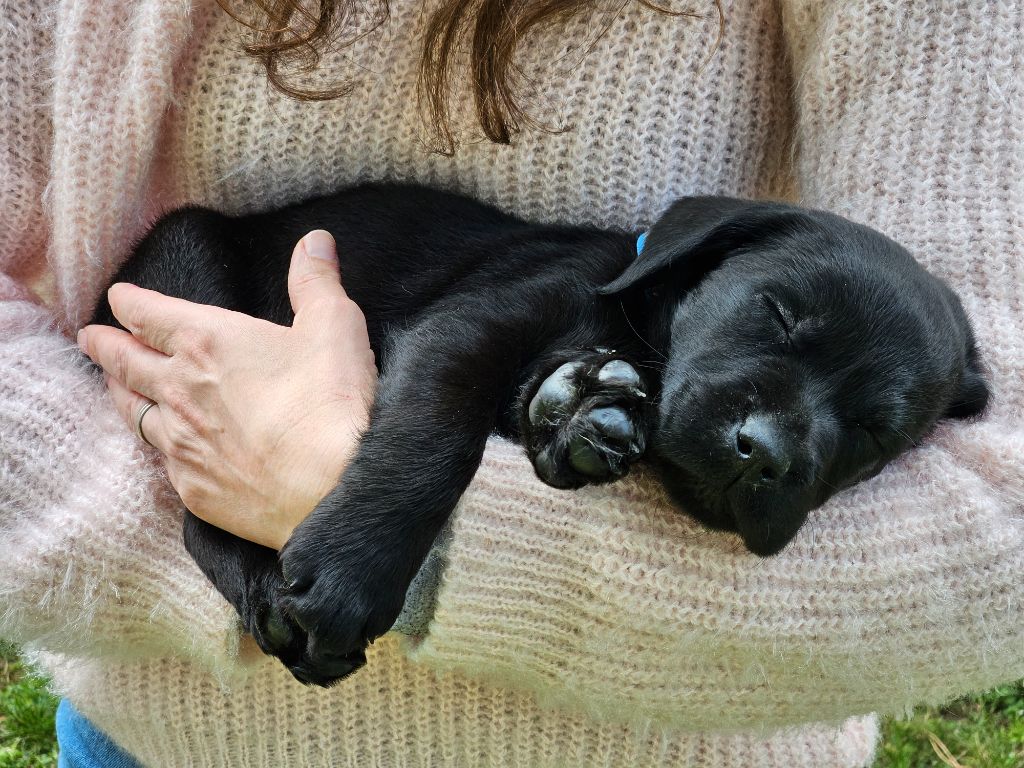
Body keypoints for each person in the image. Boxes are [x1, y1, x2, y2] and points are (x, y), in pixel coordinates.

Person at [1, 0, 1021, 765]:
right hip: (168, 726)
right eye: (776, 329)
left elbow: (1001, 502)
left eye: (861, 427)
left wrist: (409, 532)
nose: (774, 433)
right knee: (191, 258)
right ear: (697, 254)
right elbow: (453, 351)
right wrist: (231, 518)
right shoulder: (587, 287)